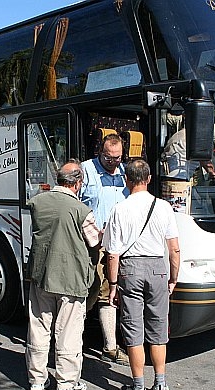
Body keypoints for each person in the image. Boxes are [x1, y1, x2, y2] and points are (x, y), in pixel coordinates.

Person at [104, 159, 180, 390]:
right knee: (158, 328)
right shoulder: (164, 207)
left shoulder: (119, 209)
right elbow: (174, 250)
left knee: (133, 328)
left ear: (127, 180)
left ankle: (138, 388)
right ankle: (160, 385)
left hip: (130, 269)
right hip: (158, 268)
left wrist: (113, 285)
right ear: (148, 179)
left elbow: (112, 253)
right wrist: (173, 278)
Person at [25, 160, 101, 390]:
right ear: (77, 184)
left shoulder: (38, 202)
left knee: (38, 326)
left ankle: (37, 380)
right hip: (71, 278)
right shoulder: (81, 211)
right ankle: (66, 383)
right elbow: (94, 242)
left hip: (41, 274)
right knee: (68, 331)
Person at [80, 133, 130, 366]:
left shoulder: (124, 172)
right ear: (100, 151)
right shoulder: (86, 170)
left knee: (110, 293)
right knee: (90, 292)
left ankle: (110, 346)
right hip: (93, 244)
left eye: (117, 158)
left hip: (119, 244)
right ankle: (69, 336)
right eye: (109, 158)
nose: (113, 163)